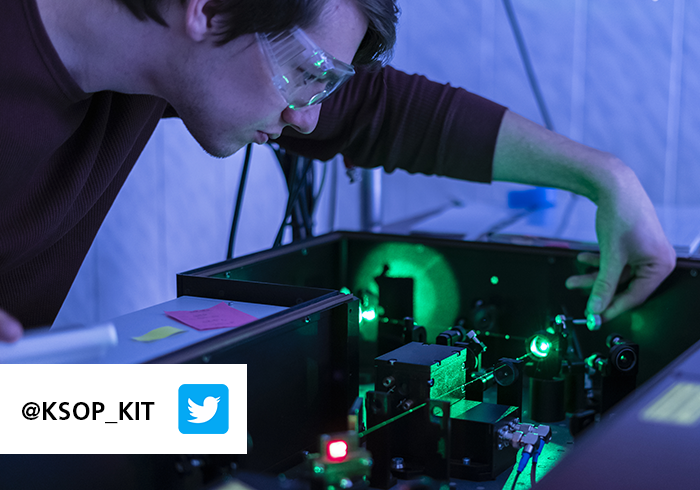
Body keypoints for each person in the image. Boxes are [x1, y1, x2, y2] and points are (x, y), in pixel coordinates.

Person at [0, 0, 675, 343]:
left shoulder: (152, 66)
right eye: (306, 76)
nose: (308, 119)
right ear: (206, 8)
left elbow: (383, 111)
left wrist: (606, 178)